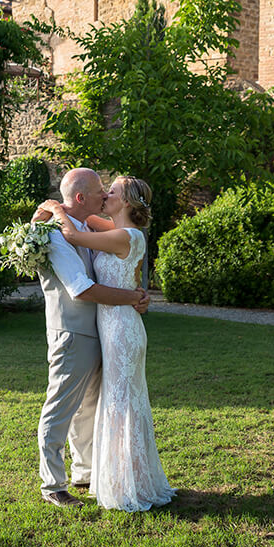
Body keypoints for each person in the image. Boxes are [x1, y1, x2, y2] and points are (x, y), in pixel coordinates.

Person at [38, 176, 174, 511]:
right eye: (103, 189)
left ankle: (127, 482)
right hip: (107, 327)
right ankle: (111, 477)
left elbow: (72, 232)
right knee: (114, 404)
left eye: (111, 191)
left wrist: (54, 205)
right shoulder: (108, 227)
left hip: (119, 329)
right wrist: (49, 212)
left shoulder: (123, 235)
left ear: (126, 202)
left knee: (120, 405)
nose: (106, 194)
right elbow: (78, 224)